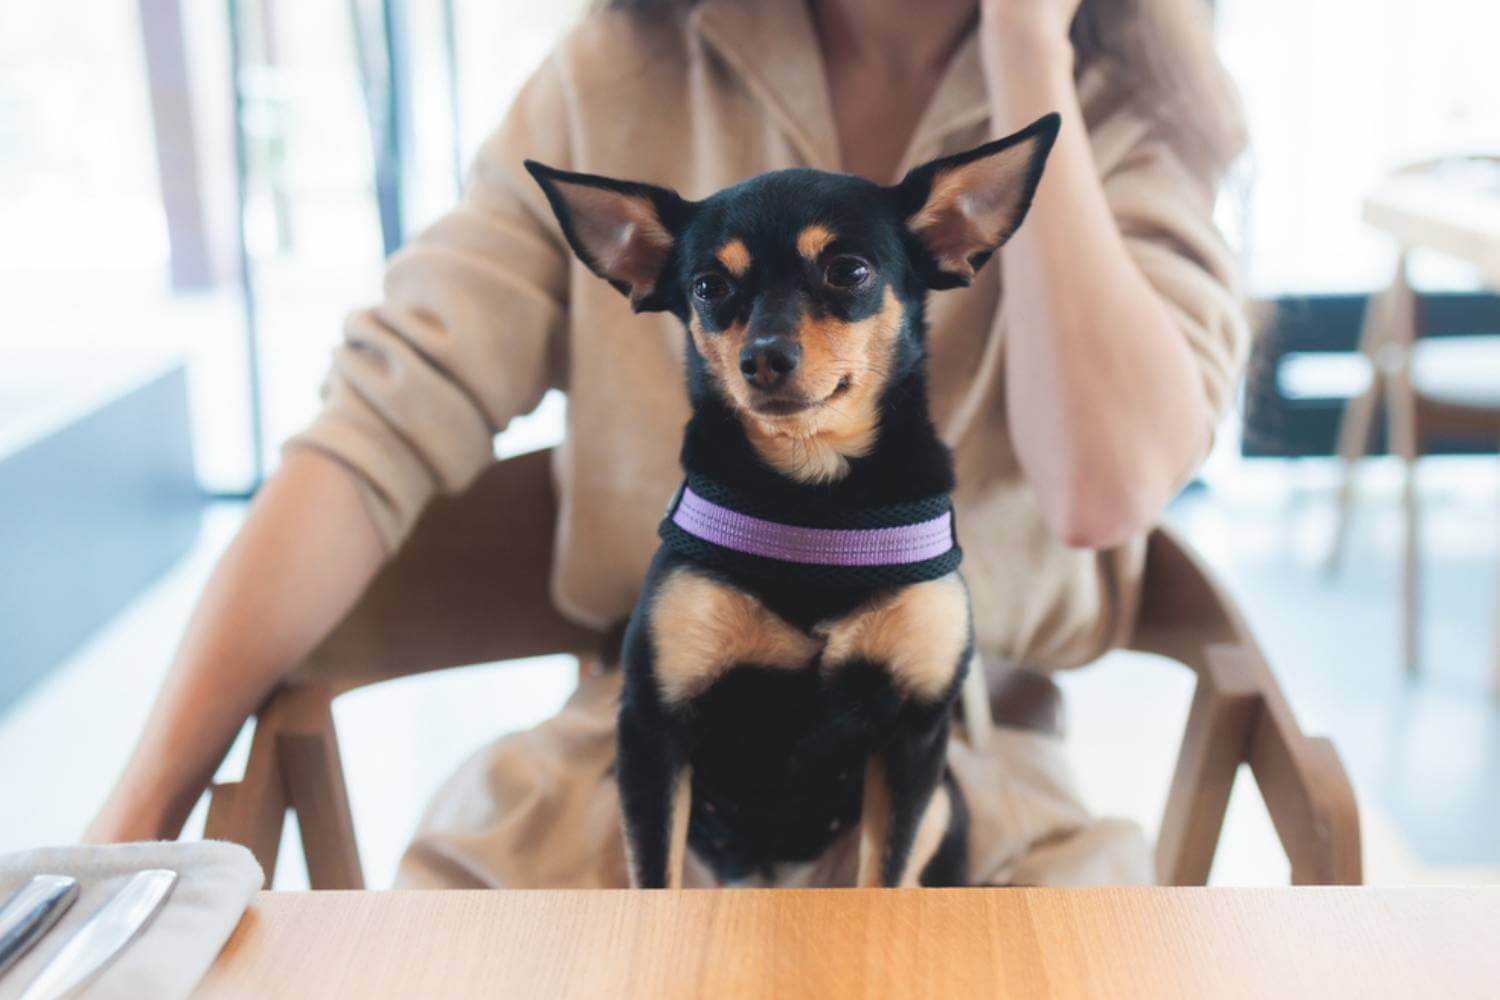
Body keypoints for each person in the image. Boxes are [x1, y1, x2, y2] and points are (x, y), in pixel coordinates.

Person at [87, 0, 1249, 887]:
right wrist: (129, 826)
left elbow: (1104, 488)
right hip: (639, 754)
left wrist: (1030, 55)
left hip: (960, 769)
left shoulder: (1133, 109)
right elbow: (379, 421)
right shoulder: (618, 64)